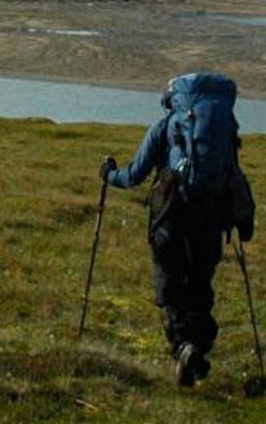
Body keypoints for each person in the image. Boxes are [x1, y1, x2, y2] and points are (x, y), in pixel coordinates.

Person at [102, 71, 244, 387]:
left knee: (170, 288)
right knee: (199, 288)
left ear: (174, 100)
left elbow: (134, 174)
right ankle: (195, 351)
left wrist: (109, 175)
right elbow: (233, 176)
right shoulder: (224, 133)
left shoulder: (165, 128)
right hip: (210, 222)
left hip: (170, 219)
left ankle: (183, 348)